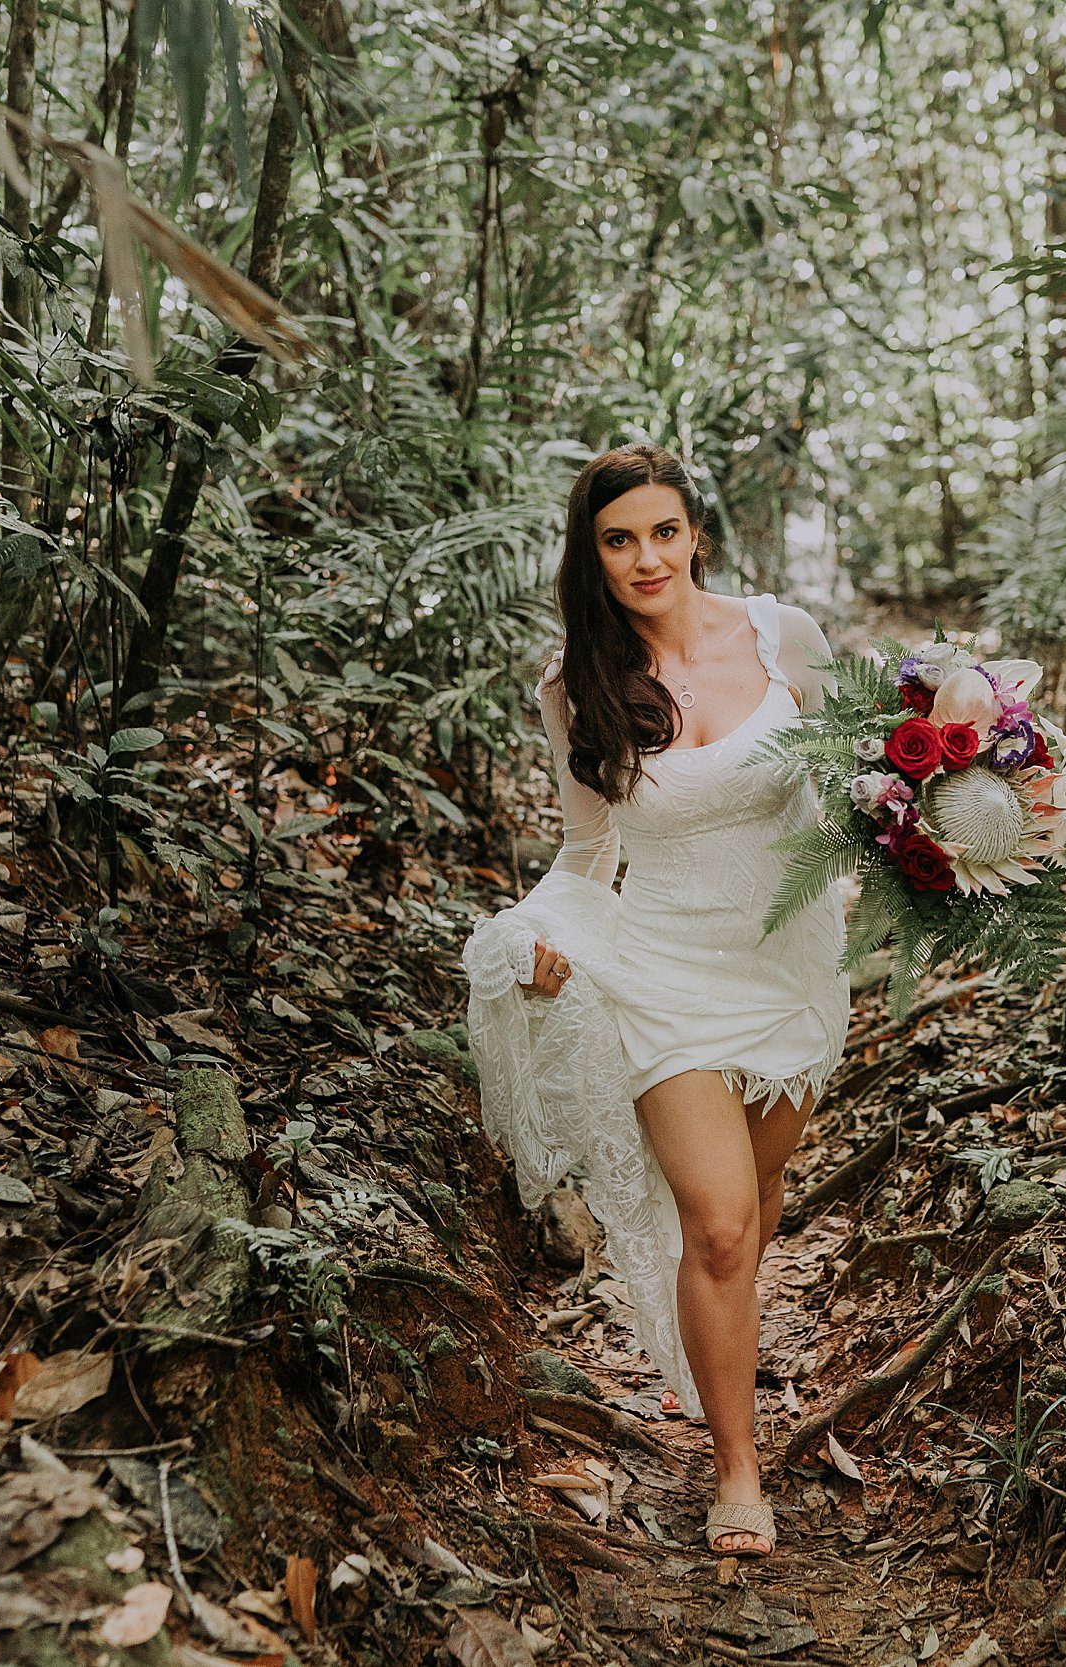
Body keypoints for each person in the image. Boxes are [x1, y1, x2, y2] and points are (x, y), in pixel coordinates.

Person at [464, 442, 846, 1559]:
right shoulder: (573, 682)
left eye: (662, 532)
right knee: (719, 1221)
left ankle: (715, 1341)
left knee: (756, 1195)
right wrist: (531, 935)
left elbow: (852, 780)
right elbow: (588, 849)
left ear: (696, 535)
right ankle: (737, 1467)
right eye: (618, 539)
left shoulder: (784, 637)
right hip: (662, 967)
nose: (645, 558)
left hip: (792, 965)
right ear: (591, 554)